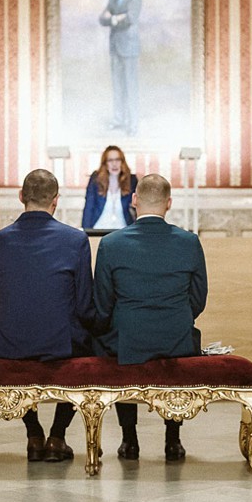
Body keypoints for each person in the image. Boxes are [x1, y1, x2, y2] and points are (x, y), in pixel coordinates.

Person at [0, 168, 97, 462]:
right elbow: (84, 306)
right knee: (90, 345)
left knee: (17, 335)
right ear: (55, 200)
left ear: (21, 197)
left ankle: (34, 434)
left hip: (10, 344)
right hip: (63, 343)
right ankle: (57, 436)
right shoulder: (75, 240)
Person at [93, 174, 207, 462]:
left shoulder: (111, 243)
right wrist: (173, 317)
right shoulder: (190, 242)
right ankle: (173, 440)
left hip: (128, 339)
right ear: (169, 203)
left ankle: (129, 439)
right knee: (182, 334)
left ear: (134, 201)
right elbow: (198, 299)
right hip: (177, 339)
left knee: (113, 339)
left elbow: (103, 304)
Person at [99, 0, 142, 135]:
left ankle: (133, 125)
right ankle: (118, 120)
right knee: (117, 86)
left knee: (130, 87)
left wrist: (114, 18)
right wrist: (118, 18)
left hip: (130, 48)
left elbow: (131, 18)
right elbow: (102, 19)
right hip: (115, 47)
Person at [81, 145, 138, 231]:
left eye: (117, 160)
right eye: (110, 160)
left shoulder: (131, 180)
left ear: (122, 162)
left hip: (123, 231)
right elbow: (89, 207)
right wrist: (86, 231)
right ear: (105, 164)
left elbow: (137, 208)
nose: (114, 164)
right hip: (99, 230)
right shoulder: (95, 179)